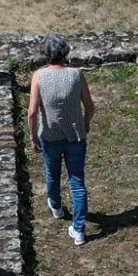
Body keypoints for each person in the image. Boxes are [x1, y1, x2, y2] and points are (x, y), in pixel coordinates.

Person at [27, 34, 95, 245]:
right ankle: (79, 230)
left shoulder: (39, 76)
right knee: (77, 183)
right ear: (65, 52)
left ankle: (56, 206)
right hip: (75, 135)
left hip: (50, 135)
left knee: (52, 173)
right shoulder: (76, 75)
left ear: (45, 54)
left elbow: (32, 112)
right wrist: (86, 122)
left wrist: (33, 137)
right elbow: (90, 106)